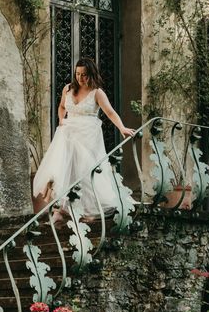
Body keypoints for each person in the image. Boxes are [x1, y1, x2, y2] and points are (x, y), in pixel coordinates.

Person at [32, 58, 136, 222]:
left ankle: (89, 210)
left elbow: (109, 112)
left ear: (91, 74)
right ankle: (62, 208)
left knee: (85, 171)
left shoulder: (97, 92)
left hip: (88, 136)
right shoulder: (68, 89)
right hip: (68, 133)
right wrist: (61, 119)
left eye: (84, 75)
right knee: (64, 170)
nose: (80, 78)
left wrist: (122, 127)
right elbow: (61, 107)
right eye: (78, 74)